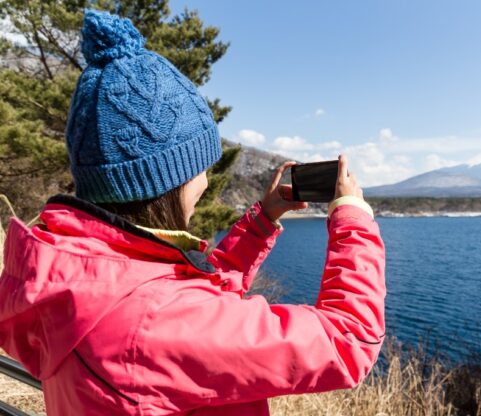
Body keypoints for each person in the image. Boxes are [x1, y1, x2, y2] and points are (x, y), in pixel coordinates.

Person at [0, 9, 386, 416]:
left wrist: (261, 221)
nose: (204, 182)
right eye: (200, 168)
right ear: (165, 182)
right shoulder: (153, 323)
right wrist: (353, 217)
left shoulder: (74, 280)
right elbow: (348, 340)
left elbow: (189, 301)